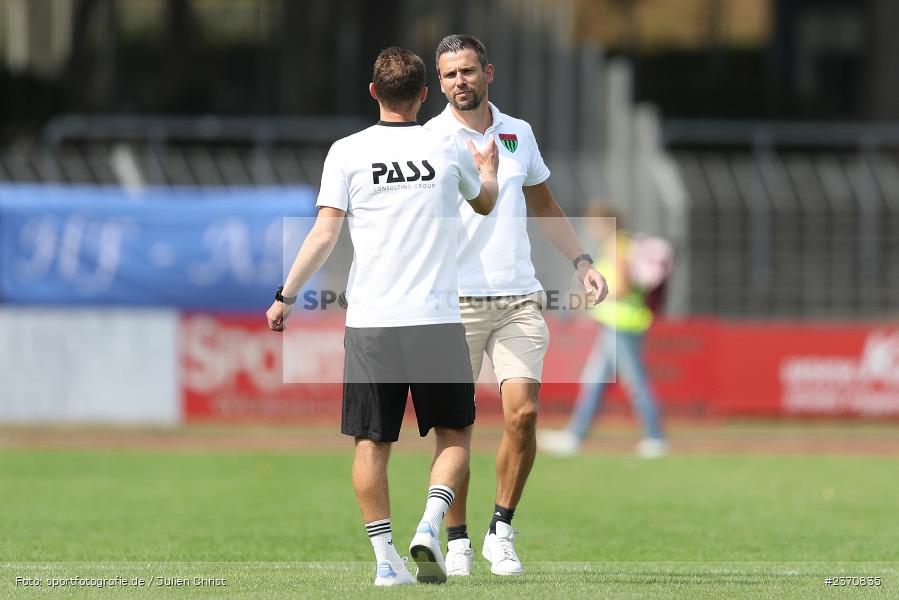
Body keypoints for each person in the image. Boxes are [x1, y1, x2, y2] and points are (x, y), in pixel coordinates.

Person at [266, 47, 499, 587]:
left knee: (372, 442)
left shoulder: (346, 152)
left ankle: (384, 561)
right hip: (437, 320)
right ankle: (430, 523)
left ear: (373, 92)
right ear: (424, 94)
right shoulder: (449, 146)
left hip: (371, 322)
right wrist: (487, 172)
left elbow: (324, 233)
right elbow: (484, 204)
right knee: (456, 434)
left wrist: (285, 296)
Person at [423, 34, 609, 577]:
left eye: (468, 71)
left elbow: (545, 204)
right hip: (451, 303)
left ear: (489, 72)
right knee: (453, 429)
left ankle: (500, 530)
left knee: (523, 415)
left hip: (518, 298)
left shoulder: (518, 133)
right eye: (450, 74)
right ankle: (455, 539)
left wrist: (583, 262)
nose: (460, 81)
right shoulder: (429, 139)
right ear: (439, 83)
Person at [538, 205, 669, 459]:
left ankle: (655, 438)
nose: (592, 230)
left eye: (594, 224)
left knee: (636, 383)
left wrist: (588, 298)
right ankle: (575, 435)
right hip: (618, 323)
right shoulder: (622, 245)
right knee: (596, 382)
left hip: (621, 324)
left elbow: (619, 287)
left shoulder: (617, 247)